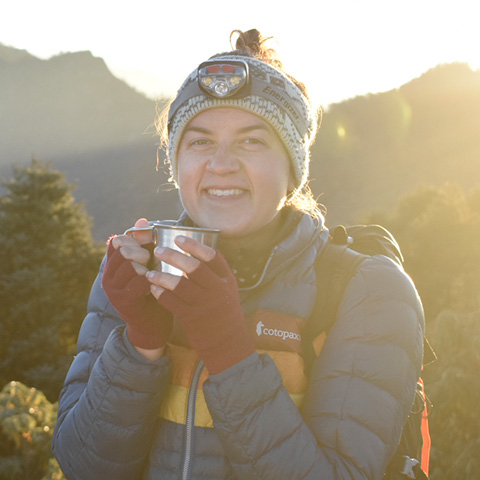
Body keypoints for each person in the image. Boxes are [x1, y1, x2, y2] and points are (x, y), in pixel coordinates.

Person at [52, 29, 425, 479]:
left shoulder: (367, 292)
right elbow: (83, 467)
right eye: (200, 141)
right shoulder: (134, 272)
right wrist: (141, 343)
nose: (221, 163)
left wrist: (230, 351)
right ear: (178, 164)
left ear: (293, 170)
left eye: (252, 141)